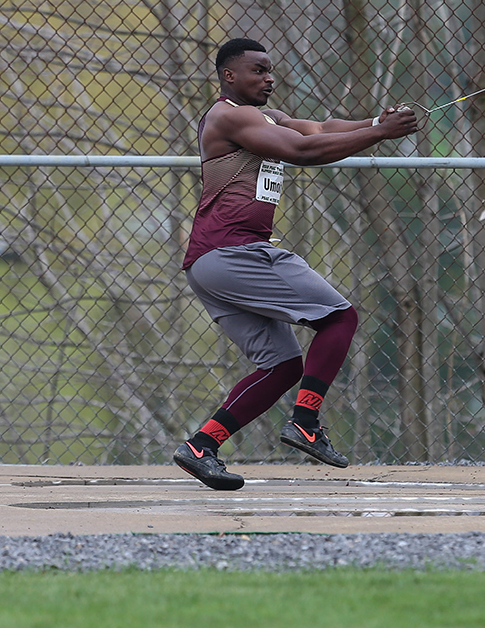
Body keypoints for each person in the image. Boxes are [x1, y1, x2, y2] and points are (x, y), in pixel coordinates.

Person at [173, 38, 418, 490]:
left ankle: (201, 446)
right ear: (229, 76)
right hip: (234, 253)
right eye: (258, 71)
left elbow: (319, 130)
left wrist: (374, 122)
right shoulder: (229, 114)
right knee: (340, 318)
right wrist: (381, 136)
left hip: (210, 263)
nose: (269, 78)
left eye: (270, 71)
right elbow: (302, 152)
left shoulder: (267, 117)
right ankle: (306, 421)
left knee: (282, 366)